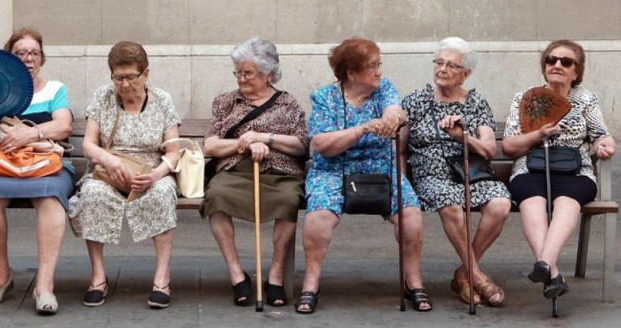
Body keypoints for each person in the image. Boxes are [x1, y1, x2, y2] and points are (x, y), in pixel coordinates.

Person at [296, 38, 431, 314]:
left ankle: (413, 280)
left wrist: (393, 117)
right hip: (333, 169)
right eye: (372, 66)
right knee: (319, 217)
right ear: (351, 72)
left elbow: (395, 108)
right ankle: (311, 283)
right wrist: (361, 129)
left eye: (379, 64)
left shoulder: (383, 88)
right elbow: (322, 144)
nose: (379, 71)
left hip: (380, 168)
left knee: (411, 215)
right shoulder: (324, 97)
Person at [0, 27, 74, 314]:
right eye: (21, 53)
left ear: (42, 58)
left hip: (47, 167)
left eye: (34, 53)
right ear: (10, 58)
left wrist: (31, 133)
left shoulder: (54, 89)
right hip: (5, 167)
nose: (29, 58)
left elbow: (64, 125)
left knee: (51, 198)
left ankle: (44, 285)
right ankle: (1, 276)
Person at [68, 41, 180, 309]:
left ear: (146, 73)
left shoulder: (163, 100)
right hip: (108, 173)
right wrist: (108, 160)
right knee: (93, 194)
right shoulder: (102, 96)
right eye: (118, 78)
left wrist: (156, 175)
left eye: (131, 77)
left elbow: (174, 153)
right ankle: (98, 277)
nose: (125, 84)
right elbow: (89, 146)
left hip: (150, 173)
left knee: (163, 194)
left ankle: (162, 277)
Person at [400, 37, 511, 307]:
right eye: (439, 62)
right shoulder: (415, 101)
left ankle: (464, 273)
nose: (442, 69)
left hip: (471, 175)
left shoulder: (476, 103)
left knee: (500, 204)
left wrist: (462, 137)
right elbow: (400, 150)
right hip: (431, 177)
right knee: (450, 205)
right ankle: (477, 277)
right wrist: (401, 182)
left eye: (451, 65)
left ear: (466, 74)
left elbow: (488, 149)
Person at [502, 39, 616, 299]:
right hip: (530, 168)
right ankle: (551, 272)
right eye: (551, 60)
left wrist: (605, 146)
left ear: (576, 71)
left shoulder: (585, 99)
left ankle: (544, 263)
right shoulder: (526, 98)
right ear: (544, 66)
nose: (557, 65)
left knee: (567, 202)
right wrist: (537, 135)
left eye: (566, 62)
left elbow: (602, 135)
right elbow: (508, 146)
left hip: (575, 171)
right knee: (532, 201)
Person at [200, 37, 308, 307]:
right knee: (216, 196)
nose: (241, 78)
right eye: (238, 72)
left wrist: (266, 138)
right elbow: (210, 145)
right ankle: (237, 275)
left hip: (280, 173)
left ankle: (275, 276)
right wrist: (244, 143)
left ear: (268, 74)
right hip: (235, 171)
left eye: (248, 73)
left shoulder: (288, 104)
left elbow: (302, 145)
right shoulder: (225, 102)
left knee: (289, 199)